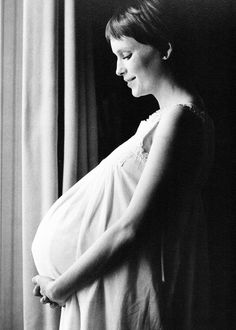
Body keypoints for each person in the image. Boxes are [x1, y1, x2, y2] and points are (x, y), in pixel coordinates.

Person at [32, 0, 214, 329]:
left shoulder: (179, 119)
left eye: (126, 55)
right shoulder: (168, 118)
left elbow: (132, 228)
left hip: (128, 288)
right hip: (114, 285)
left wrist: (61, 287)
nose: (118, 69)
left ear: (165, 49)